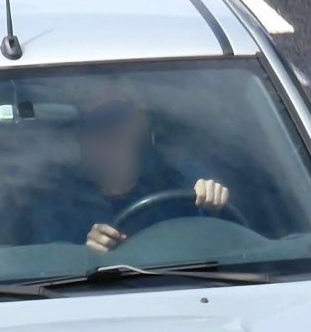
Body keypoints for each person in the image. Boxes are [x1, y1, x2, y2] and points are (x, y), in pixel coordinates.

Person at [26, 89, 232, 252]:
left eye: (117, 115)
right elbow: (43, 268)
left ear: (143, 122)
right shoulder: (54, 203)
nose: (109, 133)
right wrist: (85, 255)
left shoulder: (182, 179)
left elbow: (233, 248)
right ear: (80, 138)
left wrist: (213, 209)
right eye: (94, 123)